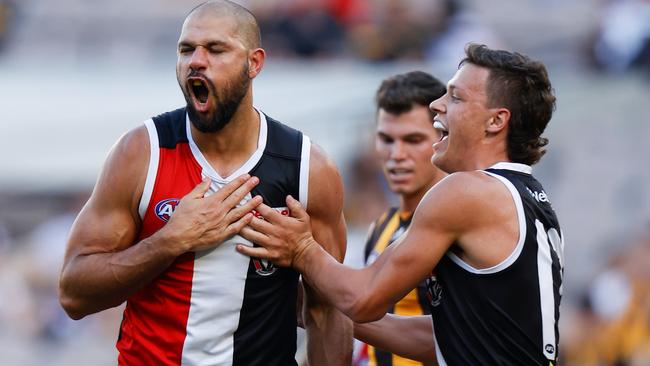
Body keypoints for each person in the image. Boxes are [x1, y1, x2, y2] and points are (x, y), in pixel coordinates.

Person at [58, 1, 352, 365]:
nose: (196, 61)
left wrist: (305, 253)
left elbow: (327, 311)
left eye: (215, 49)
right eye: (186, 50)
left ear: (254, 62)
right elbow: (73, 294)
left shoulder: (308, 167)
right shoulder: (141, 152)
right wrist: (169, 241)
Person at [238, 43, 563, 365]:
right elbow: (447, 339)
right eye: (387, 139)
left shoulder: (467, 191)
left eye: (456, 96)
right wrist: (311, 303)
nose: (437, 105)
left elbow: (363, 298)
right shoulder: (529, 198)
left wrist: (302, 250)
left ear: (496, 121)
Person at [360, 71, 446, 366]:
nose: (397, 154)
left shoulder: (460, 227)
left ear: (442, 140)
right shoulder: (382, 226)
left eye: (413, 139)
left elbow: (466, 337)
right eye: (386, 139)